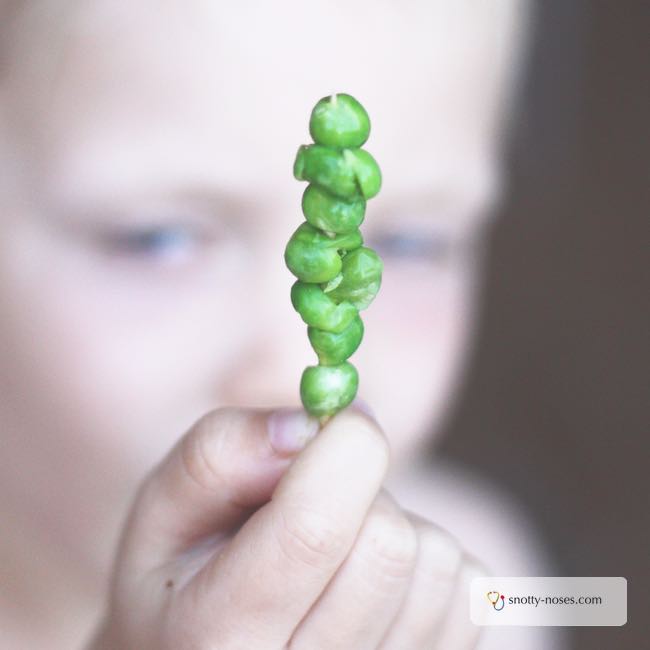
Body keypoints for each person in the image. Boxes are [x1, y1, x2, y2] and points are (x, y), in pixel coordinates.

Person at [0, 1, 567, 647]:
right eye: (158, 239)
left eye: (410, 242)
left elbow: (593, 606)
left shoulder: (492, 579)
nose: (280, 376)